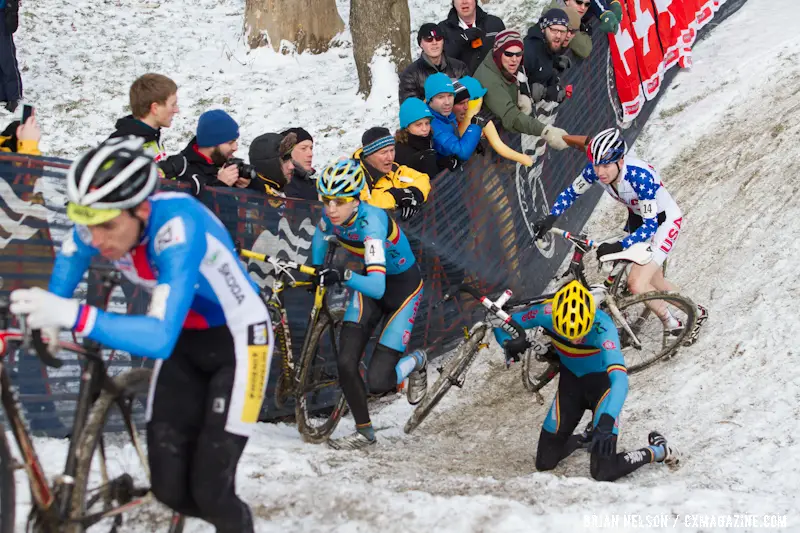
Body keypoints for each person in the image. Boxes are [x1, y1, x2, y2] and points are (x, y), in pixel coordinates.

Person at [9, 136, 272, 533]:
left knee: (212, 493)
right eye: (87, 225)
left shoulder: (178, 227)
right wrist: (49, 315)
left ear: (142, 209)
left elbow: (158, 337)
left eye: (107, 227)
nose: (96, 240)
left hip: (239, 338)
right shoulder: (99, 223)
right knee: (168, 490)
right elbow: (69, 258)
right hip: (188, 339)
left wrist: (72, 314)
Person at [533, 128, 708, 344]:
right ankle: (696, 311)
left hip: (662, 222)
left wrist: (619, 245)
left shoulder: (639, 177)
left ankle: (674, 325)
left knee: (637, 284)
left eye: (606, 166)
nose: (600, 172)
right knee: (653, 279)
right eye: (596, 165)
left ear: (621, 162)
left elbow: (650, 226)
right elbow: (571, 193)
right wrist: (551, 217)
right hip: (639, 217)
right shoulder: (596, 171)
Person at [493, 280, 681, 481]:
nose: (575, 340)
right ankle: (586, 436)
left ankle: (658, 450)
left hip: (603, 391)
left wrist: (607, 420)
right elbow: (501, 324)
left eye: (580, 335)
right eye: (568, 334)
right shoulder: (545, 313)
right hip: (571, 386)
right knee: (544, 462)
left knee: (602, 472)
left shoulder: (603, 327)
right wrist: (509, 343)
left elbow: (620, 380)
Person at [311, 159, 426, 450]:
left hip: (402, 289)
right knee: (346, 364)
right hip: (370, 284)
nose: (331, 208)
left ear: (357, 198)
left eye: (339, 201)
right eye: (326, 200)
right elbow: (319, 237)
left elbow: (378, 286)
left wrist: (342, 274)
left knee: (379, 382)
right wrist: (315, 270)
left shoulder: (371, 223)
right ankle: (365, 433)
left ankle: (417, 361)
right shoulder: (332, 217)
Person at [473, 29, 569, 150]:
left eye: (518, 54)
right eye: (508, 54)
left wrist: (520, 94)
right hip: (482, 140)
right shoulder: (489, 80)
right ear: (498, 53)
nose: (514, 59)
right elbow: (511, 117)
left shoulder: (504, 65)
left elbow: (519, 78)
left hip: (500, 131)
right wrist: (546, 131)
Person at [352, 126, 431, 221]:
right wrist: (396, 196)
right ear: (368, 155)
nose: (390, 157)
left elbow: (421, 178)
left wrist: (412, 194)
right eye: (384, 152)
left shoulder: (393, 169)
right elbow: (363, 205)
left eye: (392, 150)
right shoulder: (356, 176)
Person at [159, 109, 243, 196]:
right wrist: (220, 186)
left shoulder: (225, 161)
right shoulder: (181, 171)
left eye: (235, 141)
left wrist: (246, 185)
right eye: (230, 143)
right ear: (211, 142)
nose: (235, 147)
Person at [108, 73, 179, 164]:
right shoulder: (126, 149)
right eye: (173, 104)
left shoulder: (151, 134)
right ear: (155, 108)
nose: (176, 110)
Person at [398, 23, 468, 104]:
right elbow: (410, 109)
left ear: (443, 41)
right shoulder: (410, 74)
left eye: (438, 38)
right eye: (429, 39)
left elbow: (470, 99)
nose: (434, 42)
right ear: (421, 44)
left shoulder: (459, 67)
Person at [425, 73, 483, 162]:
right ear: (430, 100)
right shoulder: (432, 125)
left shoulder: (445, 115)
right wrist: (475, 127)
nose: (447, 102)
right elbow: (461, 153)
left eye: (450, 95)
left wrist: (472, 142)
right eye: (440, 97)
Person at [439, 0, 506, 75]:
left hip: (494, 83)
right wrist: (461, 40)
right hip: (463, 84)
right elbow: (439, 63)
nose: (464, 2)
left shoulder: (494, 23)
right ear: (453, 2)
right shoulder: (442, 29)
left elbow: (507, 55)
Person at [524, 9, 572, 104]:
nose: (558, 36)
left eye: (562, 32)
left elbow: (544, 60)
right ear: (543, 28)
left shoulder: (549, 45)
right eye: (554, 30)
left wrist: (555, 61)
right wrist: (545, 93)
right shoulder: (529, 51)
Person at [394, 97, 449, 179]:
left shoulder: (426, 140)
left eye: (427, 123)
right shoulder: (401, 152)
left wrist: (443, 163)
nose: (425, 128)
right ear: (407, 127)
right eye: (418, 124)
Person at [248, 131, 297, 196]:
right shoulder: (253, 197)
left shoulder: (291, 187)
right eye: (284, 161)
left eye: (291, 160)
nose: (292, 166)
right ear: (268, 166)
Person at [280, 127, 318, 200]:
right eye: (303, 148)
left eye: (311, 148)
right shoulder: (282, 184)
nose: (311, 154)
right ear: (287, 152)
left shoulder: (314, 184)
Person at [0, 0, 21, 113]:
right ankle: (2, 94)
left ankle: (13, 95)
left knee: (5, 55)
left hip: (2, 12)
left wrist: (12, 8)